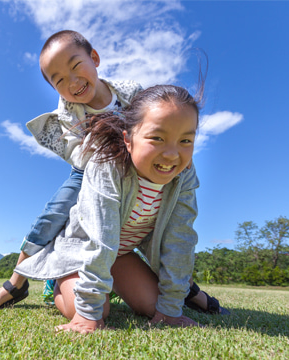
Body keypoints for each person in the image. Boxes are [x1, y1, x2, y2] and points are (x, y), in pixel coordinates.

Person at [0, 30, 226, 316]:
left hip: (142, 168)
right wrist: (115, 154)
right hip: (91, 169)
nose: (72, 81)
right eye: (59, 80)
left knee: (166, 224)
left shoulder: (130, 91)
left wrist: (164, 149)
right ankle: (17, 282)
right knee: (54, 213)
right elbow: (78, 154)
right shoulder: (69, 113)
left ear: (94, 58)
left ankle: (185, 288)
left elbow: (156, 121)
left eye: (75, 66)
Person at [15, 84, 210, 333]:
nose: (172, 154)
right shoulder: (106, 163)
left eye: (185, 140)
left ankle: (106, 286)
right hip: (81, 252)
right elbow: (101, 237)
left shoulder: (184, 175)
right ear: (128, 139)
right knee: (94, 311)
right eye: (157, 138)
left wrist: (170, 309)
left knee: (154, 306)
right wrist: (88, 313)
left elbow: (180, 239)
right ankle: (58, 283)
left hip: (121, 255)